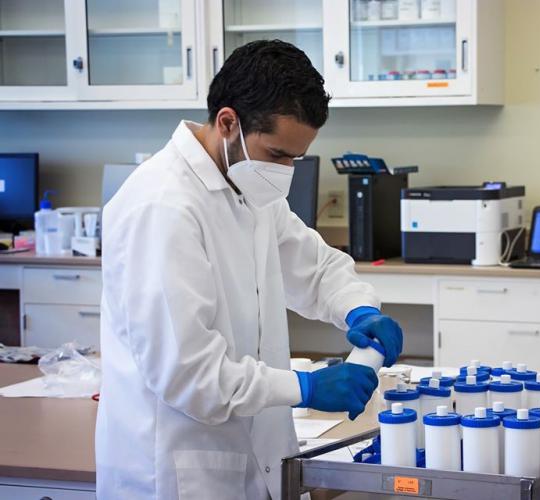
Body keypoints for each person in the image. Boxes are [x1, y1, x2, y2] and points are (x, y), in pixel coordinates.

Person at [95, 40, 404, 500]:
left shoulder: (248, 185)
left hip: (257, 459)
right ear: (227, 122)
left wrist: (358, 310)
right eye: (278, 154)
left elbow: (314, 267)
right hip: (179, 474)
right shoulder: (162, 207)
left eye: (295, 158)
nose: (286, 170)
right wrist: (306, 386)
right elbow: (189, 375)